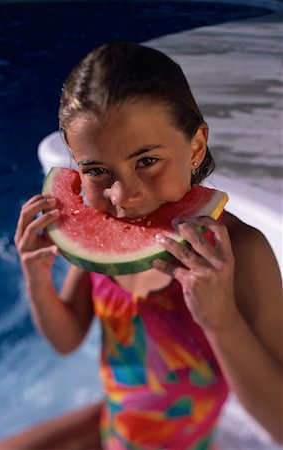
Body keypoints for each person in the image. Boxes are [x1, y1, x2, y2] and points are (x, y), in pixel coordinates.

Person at [14, 42, 283, 449]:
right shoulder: (103, 229)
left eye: (147, 161)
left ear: (195, 146)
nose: (123, 196)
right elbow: (67, 339)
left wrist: (220, 318)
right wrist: (37, 282)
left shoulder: (241, 252)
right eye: (97, 171)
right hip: (114, 427)